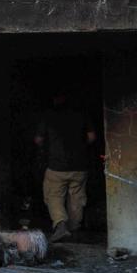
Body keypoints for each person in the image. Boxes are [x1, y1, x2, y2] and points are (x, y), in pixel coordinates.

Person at [33, 91, 97, 242]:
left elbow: (38, 140)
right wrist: (80, 147)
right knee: (76, 198)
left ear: (55, 99)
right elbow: (92, 137)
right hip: (80, 166)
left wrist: (48, 147)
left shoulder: (48, 116)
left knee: (53, 196)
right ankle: (74, 231)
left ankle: (61, 225)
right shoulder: (81, 114)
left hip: (56, 166)